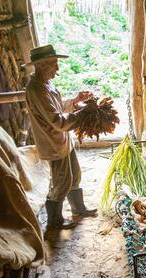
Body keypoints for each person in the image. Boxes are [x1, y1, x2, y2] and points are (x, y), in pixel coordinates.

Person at [23, 44, 97, 229]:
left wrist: (76, 101)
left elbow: (58, 107)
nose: (57, 68)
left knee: (75, 175)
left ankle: (78, 209)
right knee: (61, 182)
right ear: (41, 66)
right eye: (53, 64)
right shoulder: (36, 90)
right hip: (53, 143)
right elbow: (57, 121)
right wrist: (82, 115)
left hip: (63, 140)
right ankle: (55, 221)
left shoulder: (46, 84)